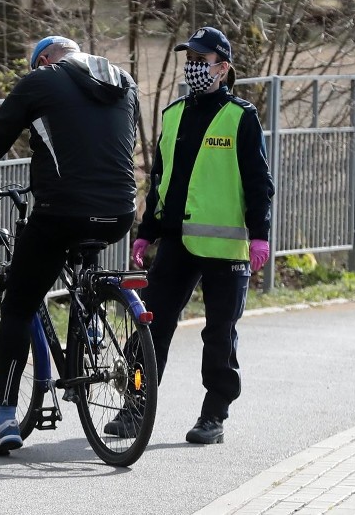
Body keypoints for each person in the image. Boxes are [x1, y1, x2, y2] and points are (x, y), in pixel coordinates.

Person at [0, 35, 140, 455]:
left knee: (19, 303)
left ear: (46, 60)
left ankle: (3, 418)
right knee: (83, 264)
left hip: (62, 211)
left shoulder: (41, 82)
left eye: (36, 63)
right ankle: (87, 330)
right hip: (121, 211)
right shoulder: (123, 79)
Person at [105, 26, 274, 444]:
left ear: (223, 68)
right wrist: (147, 233)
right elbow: (161, 181)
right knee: (152, 327)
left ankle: (213, 415)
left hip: (226, 246)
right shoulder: (174, 113)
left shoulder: (241, 117)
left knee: (219, 333)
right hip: (178, 242)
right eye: (191, 60)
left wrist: (260, 235)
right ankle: (135, 408)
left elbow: (258, 182)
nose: (195, 68)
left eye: (203, 60)